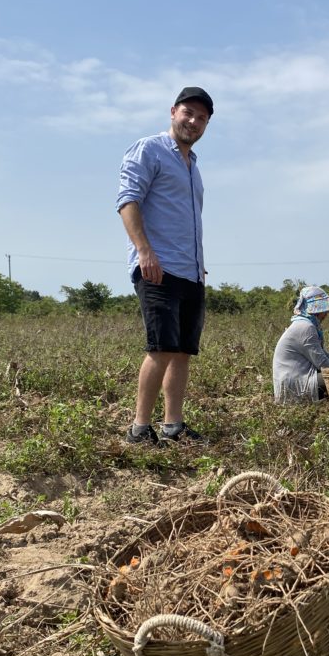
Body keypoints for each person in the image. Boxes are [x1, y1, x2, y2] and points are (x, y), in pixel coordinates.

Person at [117, 86, 215, 444]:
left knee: (182, 350)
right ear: (173, 112)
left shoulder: (193, 165)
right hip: (157, 267)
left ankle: (173, 426)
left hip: (190, 270)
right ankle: (139, 428)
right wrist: (144, 251)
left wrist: (197, 264)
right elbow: (128, 201)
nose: (194, 121)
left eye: (202, 118)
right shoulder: (150, 149)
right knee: (160, 348)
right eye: (188, 113)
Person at [272, 286, 329, 404]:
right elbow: (323, 364)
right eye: (324, 310)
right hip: (295, 387)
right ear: (317, 310)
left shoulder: (305, 324)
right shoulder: (306, 327)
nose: (326, 314)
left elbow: (325, 355)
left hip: (294, 382)